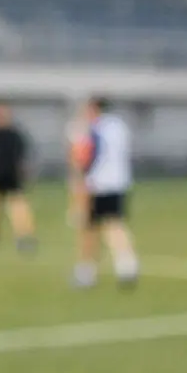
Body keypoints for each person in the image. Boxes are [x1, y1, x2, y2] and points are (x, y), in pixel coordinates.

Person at [71, 96, 139, 288]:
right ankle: (127, 264)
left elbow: (87, 156)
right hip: (119, 183)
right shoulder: (120, 127)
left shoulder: (94, 128)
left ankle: (86, 272)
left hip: (97, 184)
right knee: (115, 225)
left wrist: (80, 180)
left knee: (89, 229)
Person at [0, 101, 36, 256]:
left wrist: (24, 172)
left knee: (18, 208)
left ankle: (23, 238)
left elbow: (23, 157)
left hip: (12, 175)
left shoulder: (14, 134)